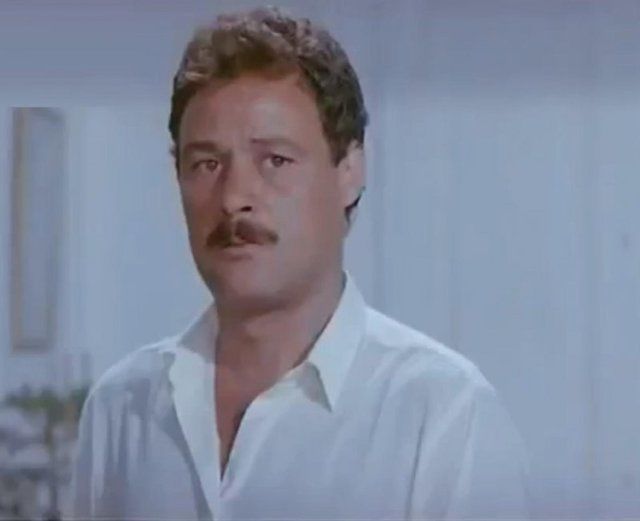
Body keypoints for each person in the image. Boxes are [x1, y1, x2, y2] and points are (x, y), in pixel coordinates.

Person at [69, 5, 530, 520]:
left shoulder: (443, 417)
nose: (234, 198)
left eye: (276, 160)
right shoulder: (122, 408)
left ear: (349, 171)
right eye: (207, 163)